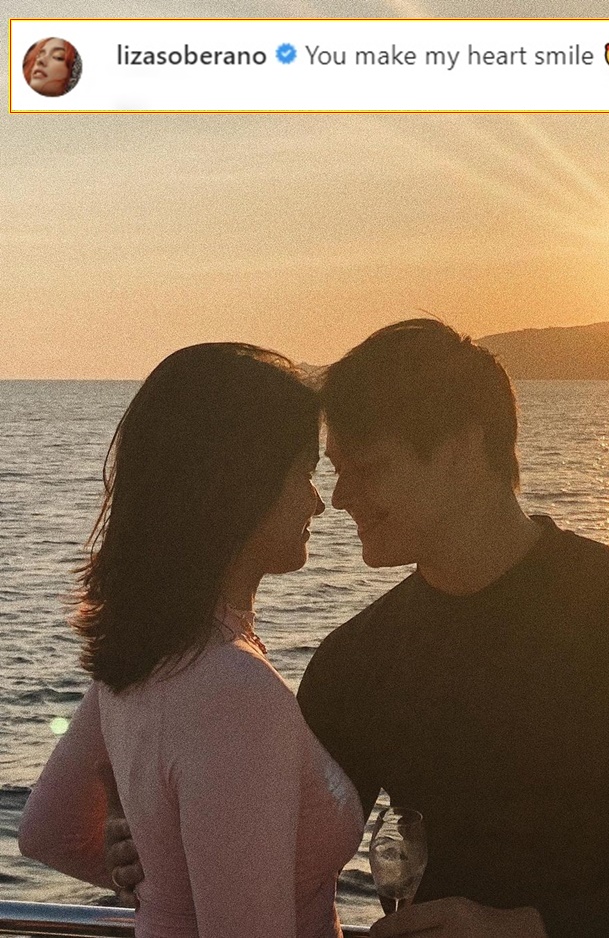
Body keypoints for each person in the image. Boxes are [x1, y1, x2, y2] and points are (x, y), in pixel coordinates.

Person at [108, 320, 609, 937]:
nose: (339, 496)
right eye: (335, 467)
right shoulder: (358, 661)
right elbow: (278, 826)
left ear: (463, 451)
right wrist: (157, 837)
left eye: (369, 467)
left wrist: (527, 929)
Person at [18, 343, 364, 938]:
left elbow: (49, 831)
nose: (318, 501)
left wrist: (160, 881)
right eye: (304, 471)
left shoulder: (146, 661)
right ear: (241, 483)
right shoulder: (234, 692)